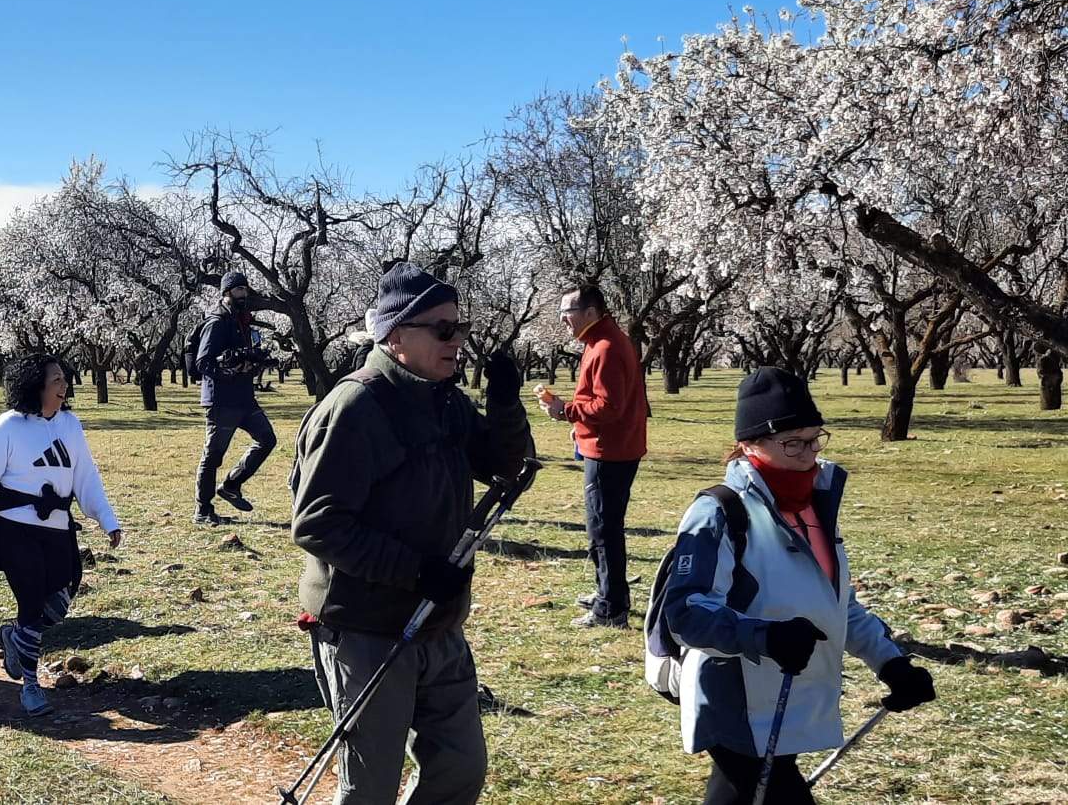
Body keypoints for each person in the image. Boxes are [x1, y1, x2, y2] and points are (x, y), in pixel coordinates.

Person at [289, 262, 533, 805]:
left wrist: (504, 401)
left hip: (439, 622)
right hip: (368, 627)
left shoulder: (443, 398)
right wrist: (416, 571)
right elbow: (317, 524)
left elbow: (501, 462)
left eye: (461, 328)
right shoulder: (356, 408)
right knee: (371, 785)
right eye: (443, 330)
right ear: (396, 335)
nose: (457, 342)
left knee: (460, 769)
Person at [662, 368, 934, 804]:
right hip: (736, 703)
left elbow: (839, 605)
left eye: (814, 439)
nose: (808, 454)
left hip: (791, 699)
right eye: (792, 443)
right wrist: (766, 636)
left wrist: (892, 664)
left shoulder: (815, 504)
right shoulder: (720, 511)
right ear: (750, 444)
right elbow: (687, 613)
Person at [0, 352, 125, 718]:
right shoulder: (8, 426)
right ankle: (30, 684)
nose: (63, 385)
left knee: (57, 604)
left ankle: (14, 638)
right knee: (30, 600)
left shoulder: (71, 425)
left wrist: (107, 519)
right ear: (35, 386)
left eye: (64, 379)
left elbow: (87, 476)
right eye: (55, 380)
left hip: (56, 529)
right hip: (12, 527)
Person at [535, 284, 650, 630]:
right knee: (605, 526)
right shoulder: (603, 341)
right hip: (610, 444)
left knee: (603, 528)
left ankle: (611, 609)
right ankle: (608, 593)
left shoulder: (605, 347)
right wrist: (580, 425)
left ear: (589, 312)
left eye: (566, 312)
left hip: (609, 452)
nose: (563, 320)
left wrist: (564, 410)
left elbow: (608, 406)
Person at [193, 271, 279, 526]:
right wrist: (227, 371)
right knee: (213, 455)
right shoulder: (217, 321)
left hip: (244, 397)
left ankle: (232, 484)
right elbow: (202, 362)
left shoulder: (242, 320)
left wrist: (255, 362)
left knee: (267, 439)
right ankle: (203, 510)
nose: (244, 294)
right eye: (239, 290)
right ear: (227, 292)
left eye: (245, 289)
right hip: (222, 400)